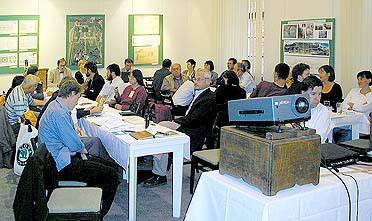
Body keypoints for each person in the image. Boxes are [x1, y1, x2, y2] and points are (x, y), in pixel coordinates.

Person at [38, 80, 120, 218]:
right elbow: (75, 145)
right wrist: (84, 151)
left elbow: (69, 137)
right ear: (71, 94)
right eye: (77, 98)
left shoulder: (55, 106)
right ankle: (97, 214)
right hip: (61, 164)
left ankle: (92, 200)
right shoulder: (60, 113)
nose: (77, 102)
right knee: (111, 174)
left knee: (109, 166)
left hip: (57, 158)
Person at [144, 68, 216, 187]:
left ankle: (160, 172)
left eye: (198, 79)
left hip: (194, 132)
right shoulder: (200, 93)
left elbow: (194, 119)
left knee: (162, 134)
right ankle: (159, 162)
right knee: (159, 127)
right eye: (194, 79)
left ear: (208, 81)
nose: (195, 82)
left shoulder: (208, 98)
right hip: (188, 124)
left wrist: (175, 121)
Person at [301, 75, 334, 143]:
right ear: (303, 93)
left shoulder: (323, 111)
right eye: (313, 94)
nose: (317, 98)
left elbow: (318, 139)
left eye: (319, 94)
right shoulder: (295, 108)